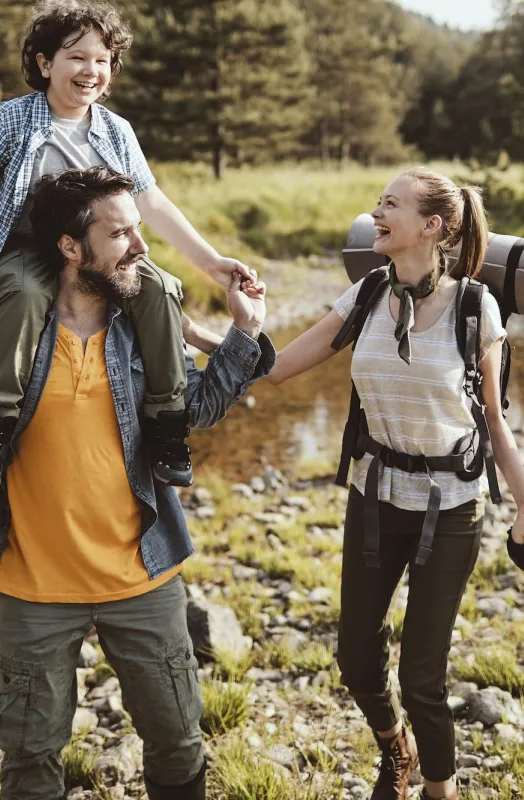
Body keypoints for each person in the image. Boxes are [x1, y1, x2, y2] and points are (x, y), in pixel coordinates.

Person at [0, 165, 275, 800]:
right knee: (29, 762)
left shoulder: (143, 326)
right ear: (71, 247)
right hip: (32, 589)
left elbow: (199, 410)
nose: (141, 246)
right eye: (121, 234)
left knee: (179, 745)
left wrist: (247, 329)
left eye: (137, 230)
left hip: (144, 578)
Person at [187, 167, 524, 800]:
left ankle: (438, 790)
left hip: (450, 509)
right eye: (378, 201)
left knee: (424, 676)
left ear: (432, 225)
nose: (375, 213)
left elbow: (497, 424)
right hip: (374, 499)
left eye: (389, 204)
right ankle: (396, 748)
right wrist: (195, 329)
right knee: (356, 661)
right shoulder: (368, 293)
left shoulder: (476, 308)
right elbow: (280, 369)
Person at [0, 0, 256, 495]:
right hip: (28, 250)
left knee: (160, 286)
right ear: (45, 63)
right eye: (76, 57)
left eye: (102, 60)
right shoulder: (11, 121)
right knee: (22, 296)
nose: (91, 70)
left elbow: (151, 202)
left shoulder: (116, 130)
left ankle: (167, 423)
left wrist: (212, 263)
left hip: (103, 254)